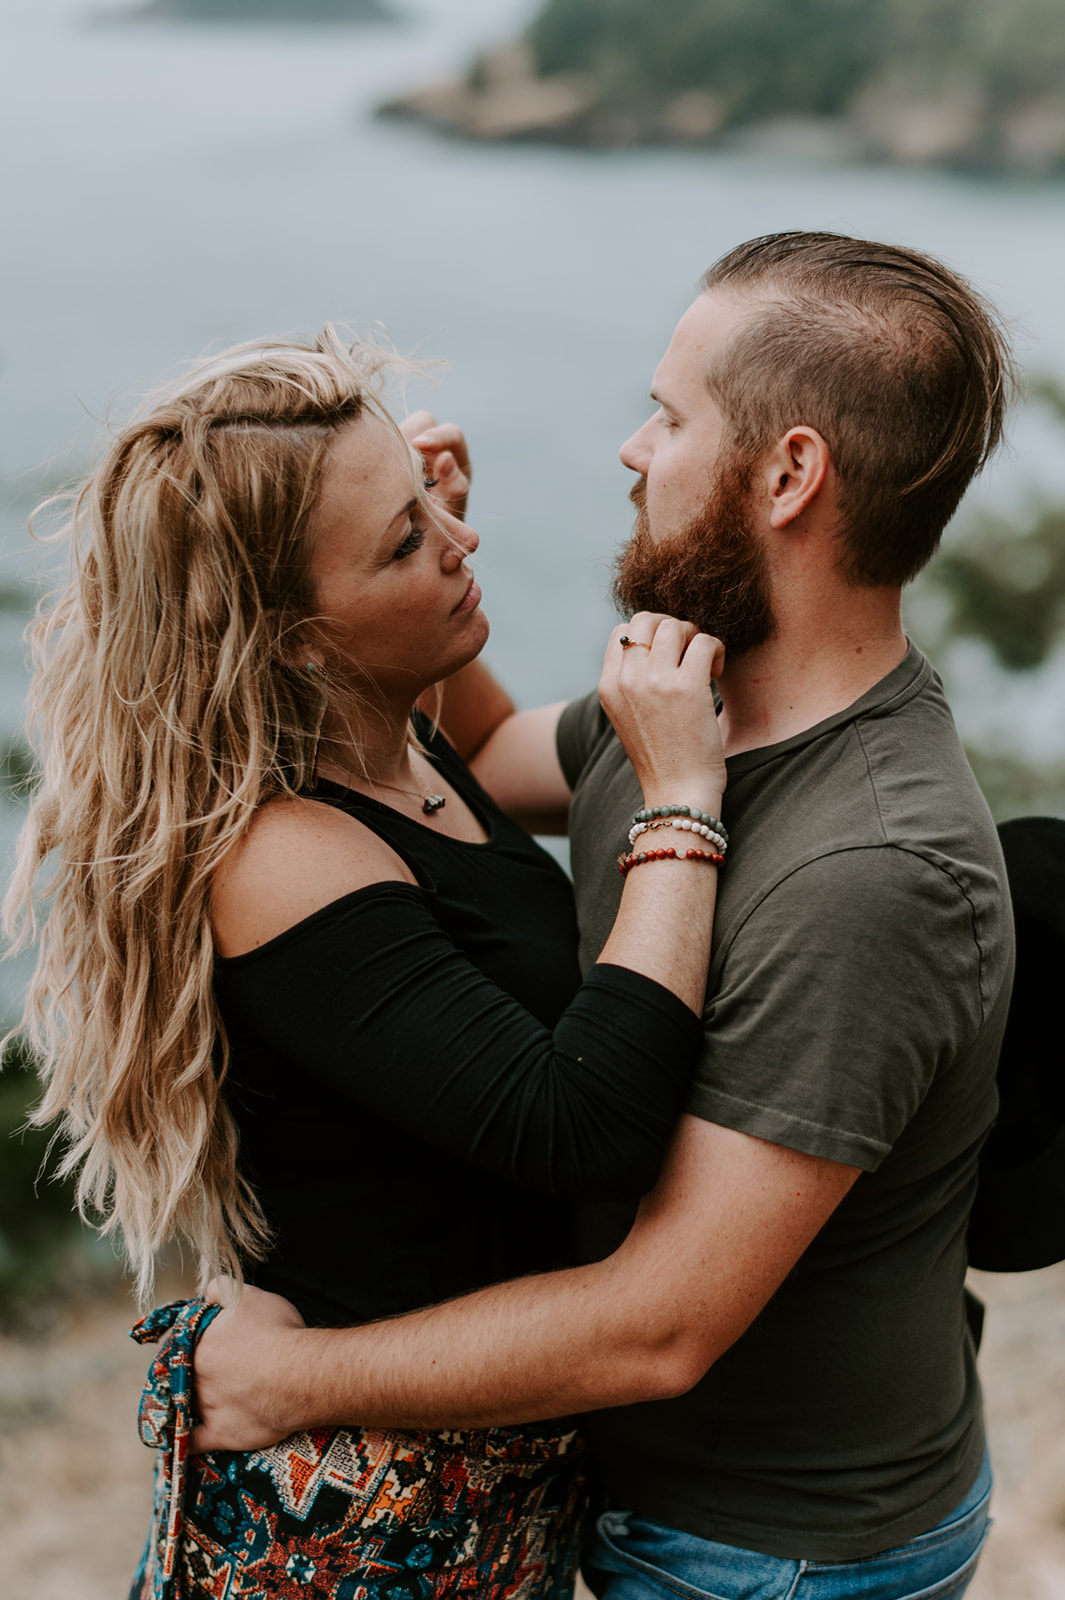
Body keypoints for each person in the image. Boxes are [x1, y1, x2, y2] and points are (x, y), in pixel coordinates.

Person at [190, 234, 1018, 1600]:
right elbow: (504, 749)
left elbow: (660, 1329)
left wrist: (287, 1380)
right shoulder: (687, 694)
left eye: (670, 415)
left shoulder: (874, 868)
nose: (633, 452)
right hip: (653, 1501)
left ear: (788, 474)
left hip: (770, 1552)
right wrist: (423, 562)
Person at [3, 330, 731, 1599]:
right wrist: (679, 801)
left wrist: (411, 533)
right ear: (293, 638)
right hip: (352, 1531)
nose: (465, 544)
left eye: (430, 508)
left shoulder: (394, 739)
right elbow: (584, 1120)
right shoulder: (282, 853)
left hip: (480, 1491)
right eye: (404, 543)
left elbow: (501, 742)